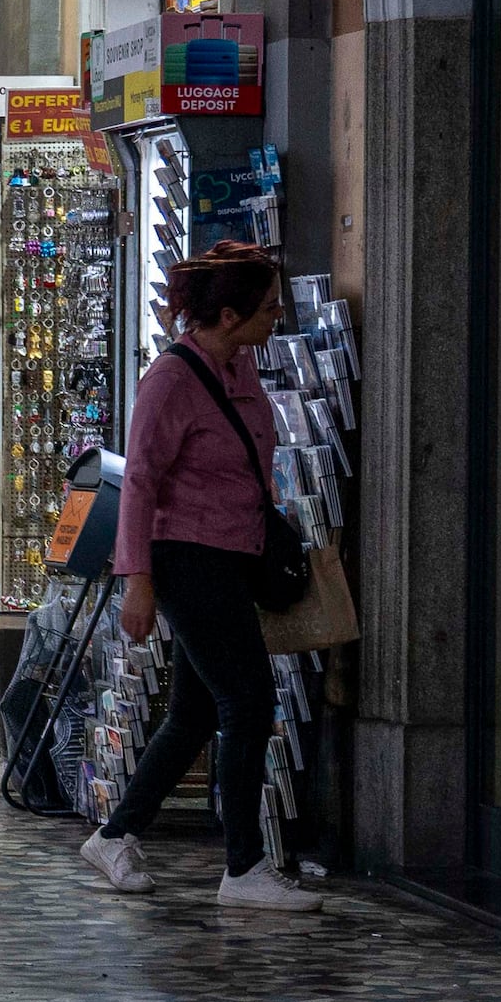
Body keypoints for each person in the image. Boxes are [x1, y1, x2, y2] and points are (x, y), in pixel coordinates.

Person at [74, 247, 321, 910]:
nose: (276, 317)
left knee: (195, 712)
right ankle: (243, 867)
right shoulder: (171, 380)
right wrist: (137, 580)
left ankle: (116, 834)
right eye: (267, 307)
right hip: (188, 559)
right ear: (230, 313)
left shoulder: (241, 366)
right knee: (248, 701)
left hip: (232, 557)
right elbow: (139, 483)